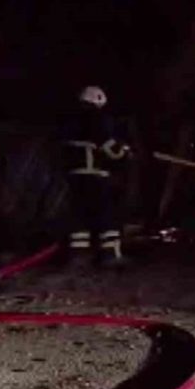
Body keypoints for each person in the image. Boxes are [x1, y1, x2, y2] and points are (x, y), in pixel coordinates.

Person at [61, 86, 131, 267]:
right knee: (107, 214)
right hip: (95, 175)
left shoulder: (70, 120)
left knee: (80, 216)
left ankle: (79, 255)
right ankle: (110, 255)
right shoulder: (96, 119)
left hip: (75, 177)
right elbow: (109, 146)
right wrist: (124, 152)